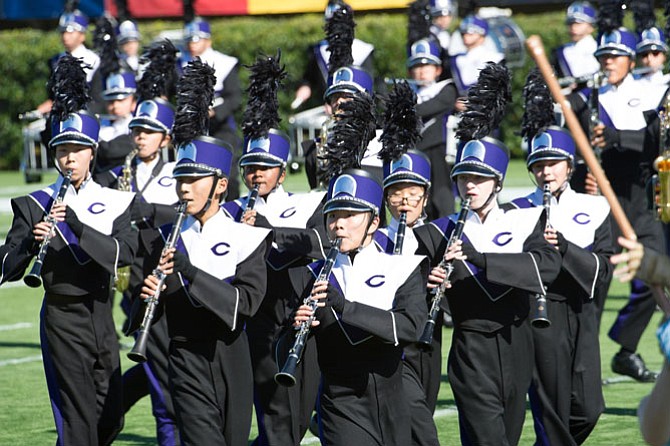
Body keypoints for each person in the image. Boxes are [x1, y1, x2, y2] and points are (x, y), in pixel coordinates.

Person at [413, 62, 562, 445]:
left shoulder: (525, 219)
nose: (469, 185)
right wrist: (432, 287)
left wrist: (481, 260)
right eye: (463, 177)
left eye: (479, 179)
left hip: (518, 340)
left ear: (497, 183)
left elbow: (545, 267)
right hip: (470, 345)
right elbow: (405, 280)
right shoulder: (437, 230)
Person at [129, 59, 272, 445]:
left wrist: (189, 272)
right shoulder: (165, 236)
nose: (185, 189)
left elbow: (245, 304)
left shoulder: (248, 236)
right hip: (184, 356)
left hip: (232, 355)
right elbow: (145, 302)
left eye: (195, 180)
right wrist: (147, 295)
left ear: (221, 185)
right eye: (180, 180)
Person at [0, 55, 136, 446]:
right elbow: (7, 266)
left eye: (77, 149)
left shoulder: (116, 201)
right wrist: (30, 243)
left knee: (110, 420)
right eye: (62, 150)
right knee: (78, 423)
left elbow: (121, 257)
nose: (69, 158)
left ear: (92, 152)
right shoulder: (34, 203)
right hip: (61, 316)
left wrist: (75, 224)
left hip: (100, 312)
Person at [221, 53, 328, 446]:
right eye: (250, 167)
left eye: (265, 168)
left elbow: (320, 244)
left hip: (302, 318)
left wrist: (267, 231)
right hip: (259, 322)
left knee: (298, 419)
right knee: (275, 416)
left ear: (282, 171)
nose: (256, 174)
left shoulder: (308, 204)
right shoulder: (232, 210)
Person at [291, 164, 428, 445]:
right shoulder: (311, 274)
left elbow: (410, 327)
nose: (338, 224)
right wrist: (295, 328)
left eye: (350, 215)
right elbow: (283, 348)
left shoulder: (402, 268)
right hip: (340, 404)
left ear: (374, 222)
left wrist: (345, 307)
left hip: (394, 399)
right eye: (333, 215)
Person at [567, 22, 668, 382]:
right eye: (604, 57)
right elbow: (573, 143)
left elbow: (654, 141)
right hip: (604, 201)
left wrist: (615, 136)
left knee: (658, 275)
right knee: (599, 282)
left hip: (641, 198)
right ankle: (582, 362)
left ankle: (625, 347)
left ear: (630, 61)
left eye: (616, 57)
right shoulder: (589, 96)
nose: (608, 62)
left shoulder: (652, 92)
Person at [508, 125, 613, 445]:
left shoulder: (594, 206)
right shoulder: (516, 209)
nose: (546, 172)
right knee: (552, 411)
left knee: (588, 408)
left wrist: (566, 248)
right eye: (538, 166)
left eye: (553, 163)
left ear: (569, 166)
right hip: (539, 313)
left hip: (581, 310)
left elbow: (605, 266)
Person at [373, 84, 440, 445]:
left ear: (426, 196)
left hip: (429, 343)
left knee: (419, 414)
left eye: (413, 193)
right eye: (396, 193)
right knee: (419, 428)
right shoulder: (375, 239)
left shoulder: (440, 234)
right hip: (390, 339)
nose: (404, 200)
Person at [180, 17, 243, 199]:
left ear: (208, 40)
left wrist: (215, 111)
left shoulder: (224, 63)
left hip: (221, 127)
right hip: (190, 128)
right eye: (189, 39)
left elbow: (235, 97)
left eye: (197, 39)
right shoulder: (179, 64)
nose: (192, 44)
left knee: (227, 174)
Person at [407, 36, 458, 220]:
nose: (421, 71)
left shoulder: (447, 89)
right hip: (415, 151)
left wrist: (405, 109)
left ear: (437, 70)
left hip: (439, 150)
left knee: (441, 196)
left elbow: (428, 108)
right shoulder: (410, 92)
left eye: (427, 66)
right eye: (417, 67)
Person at [291, 0, 374, 110]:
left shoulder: (363, 50)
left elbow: (368, 84)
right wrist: (305, 87)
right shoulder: (318, 49)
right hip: (327, 108)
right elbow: (309, 77)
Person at [36, 8, 100, 115]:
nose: (65, 36)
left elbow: (94, 94)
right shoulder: (55, 60)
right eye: (63, 32)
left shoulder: (93, 59)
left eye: (71, 32)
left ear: (82, 35)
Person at [449, 14, 504, 97]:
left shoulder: (495, 58)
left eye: (471, 33)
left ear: (482, 36)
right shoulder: (456, 59)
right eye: (463, 33)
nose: (465, 36)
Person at [552, 1, 600, 93]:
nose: (573, 27)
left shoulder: (599, 48)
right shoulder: (560, 52)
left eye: (578, 23)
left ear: (591, 26)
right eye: (570, 23)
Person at [95, 71, 137, 172]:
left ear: (133, 103)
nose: (115, 106)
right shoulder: (100, 125)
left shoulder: (136, 127)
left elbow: (110, 152)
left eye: (121, 101)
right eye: (111, 101)